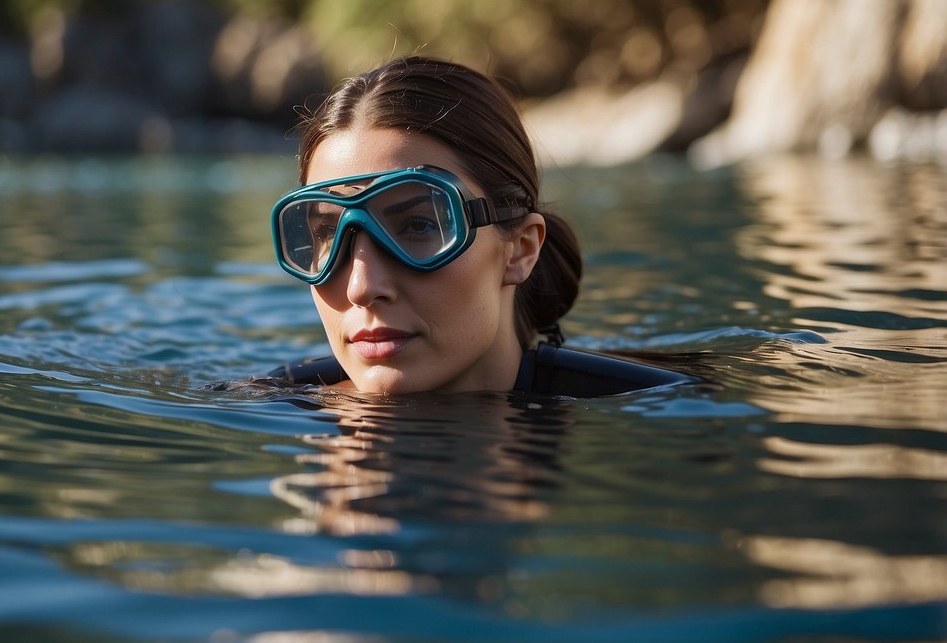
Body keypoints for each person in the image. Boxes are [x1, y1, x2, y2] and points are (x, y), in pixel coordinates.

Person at [269, 56, 695, 397]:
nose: (361, 286)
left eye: (418, 224)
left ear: (521, 250)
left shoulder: (667, 407)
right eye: (327, 233)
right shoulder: (269, 403)